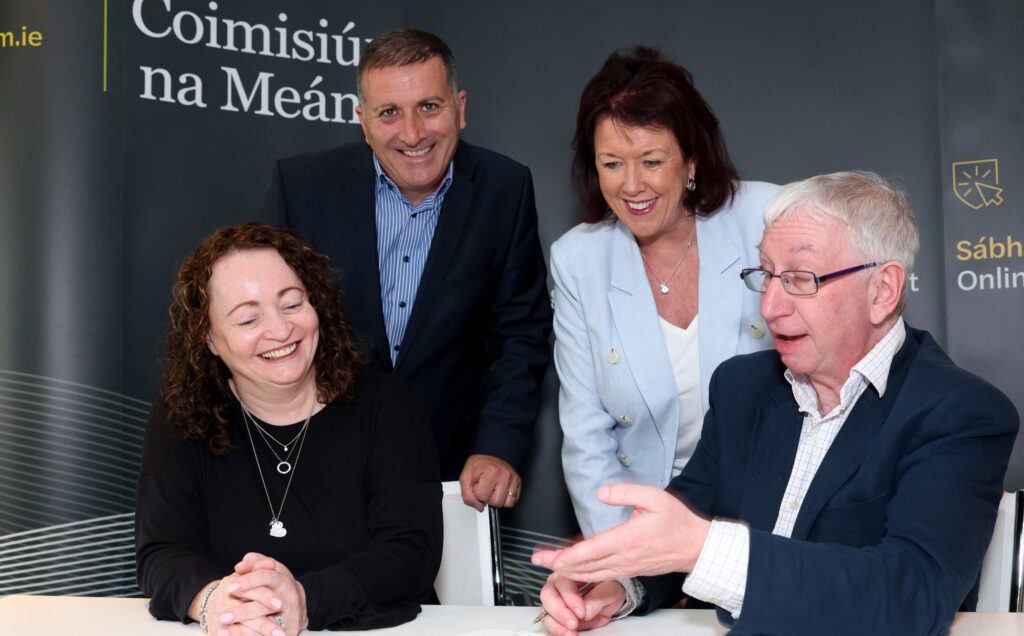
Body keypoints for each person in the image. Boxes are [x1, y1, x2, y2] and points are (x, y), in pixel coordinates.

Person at [533, 172, 1019, 636]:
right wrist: (619, 585)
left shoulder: (959, 412)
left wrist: (705, 549)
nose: (770, 307)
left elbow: (911, 592)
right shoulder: (742, 388)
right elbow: (678, 528)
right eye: (766, 274)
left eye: (801, 279)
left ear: (883, 290)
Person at [259, 29, 551, 511]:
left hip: (452, 478)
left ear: (460, 106)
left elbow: (519, 334)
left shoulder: (506, 188)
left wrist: (497, 447)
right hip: (312, 471)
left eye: (429, 107)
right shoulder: (300, 186)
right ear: (363, 120)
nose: (412, 133)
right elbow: (268, 333)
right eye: (389, 112)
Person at [135, 223, 442, 633]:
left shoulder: (388, 404)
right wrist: (215, 603)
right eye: (247, 319)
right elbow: (161, 553)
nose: (280, 331)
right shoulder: (182, 414)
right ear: (209, 338)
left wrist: (302, 600)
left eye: (293, 304)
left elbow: (410, 554)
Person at [551, 46, 778, 538]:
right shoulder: (578, 260)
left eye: (651, 161)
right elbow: (586, 435)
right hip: (645, 526)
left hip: (769, 520)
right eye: (612, 163)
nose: (632, 186)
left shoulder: (767, 217)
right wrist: (625, 562)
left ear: (691, 160)